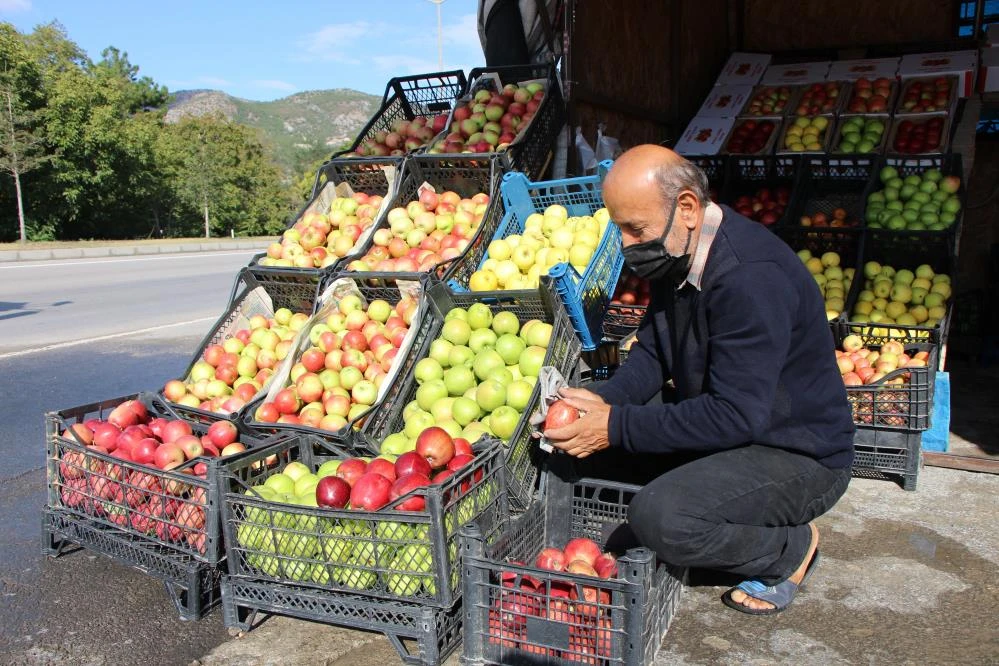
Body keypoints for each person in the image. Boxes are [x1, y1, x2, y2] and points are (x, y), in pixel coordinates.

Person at [543, 145, 856, 615]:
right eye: (619, 228)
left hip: (798, 454)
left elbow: (735, 415)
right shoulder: (676, 251)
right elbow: (654, 351)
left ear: (686, 207)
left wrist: (615, 426)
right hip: (734, 429)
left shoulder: (750, 278)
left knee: (662, 518)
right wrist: (600, 403)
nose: (627, 245)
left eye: (635, 229)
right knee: (578, 451)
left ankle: (789, 550)